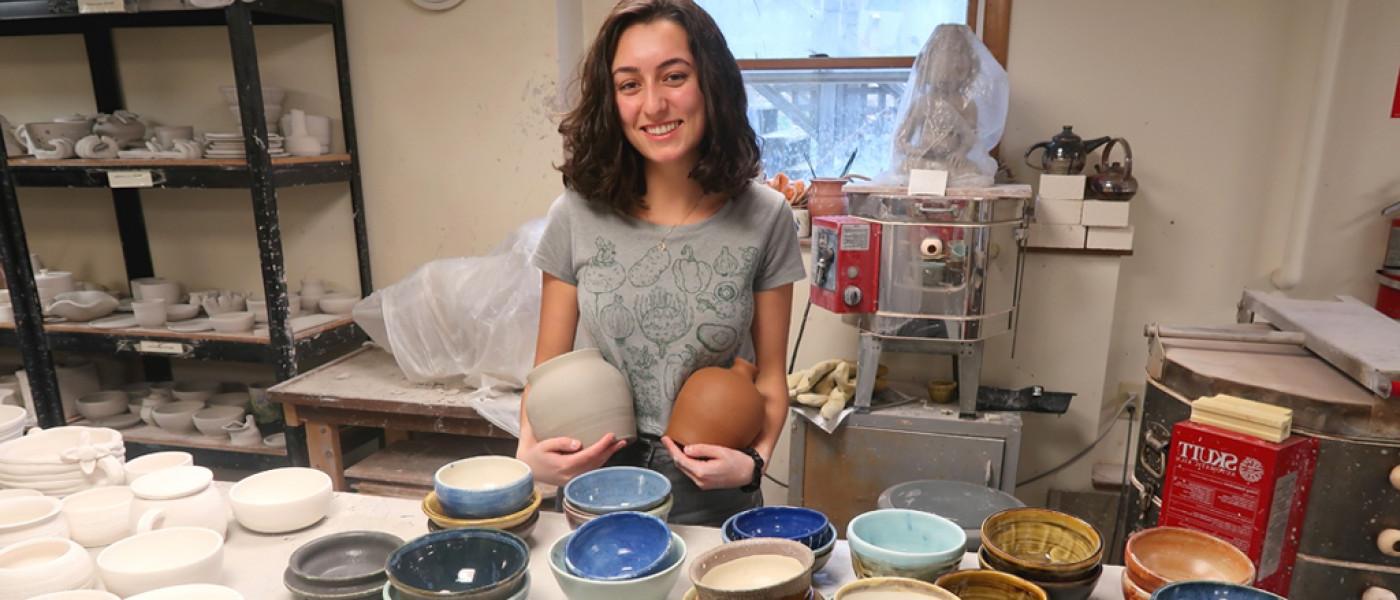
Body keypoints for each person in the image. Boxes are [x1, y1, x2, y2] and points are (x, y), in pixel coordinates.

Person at [516, 0, 805, 526]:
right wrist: (528, 456)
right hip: (596, 478)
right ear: (613, 100)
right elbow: (546, 373)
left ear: (711, 82)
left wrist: (753, 462)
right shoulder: (576, 214)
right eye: (629, 84)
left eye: (674, 76)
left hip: (711, 489)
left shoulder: (766, 216)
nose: (653, 104)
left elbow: (770, 382)